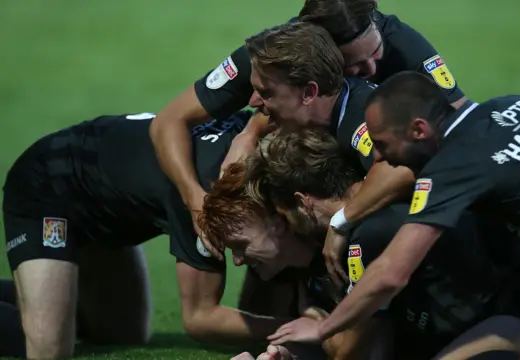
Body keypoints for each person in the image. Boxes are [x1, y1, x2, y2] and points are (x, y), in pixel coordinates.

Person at [268, 71, 520, 360]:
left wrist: (324, 328)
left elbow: (393, 271)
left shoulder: (451, 166)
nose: (379, 160)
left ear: (419, 129)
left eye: (382, 145)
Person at [149, 0, 466, 268]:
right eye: (351, 64)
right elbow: (168, 121)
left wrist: (345, 216)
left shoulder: (404, 49)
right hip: (348, 139)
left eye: (376, 51)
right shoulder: (273, 58)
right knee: (277, 175)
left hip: (395, 158)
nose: (371, 69)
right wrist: (196, 196)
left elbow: (457, 135)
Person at [201, 130, 520, 359]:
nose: (236, 261)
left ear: (302, 202)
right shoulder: (329, 246)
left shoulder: (369, 234)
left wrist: (314, 320)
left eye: (241, 245)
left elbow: (351, 352)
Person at [2, 110, 292, 358]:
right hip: (49, 185)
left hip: (107, 214)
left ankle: (48, 296)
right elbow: (200, 318)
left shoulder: (259, 155)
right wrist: (296, 327)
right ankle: (45, 301)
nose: (239, 260)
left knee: (123, 333)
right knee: (48, 348)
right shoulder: (206, 193)